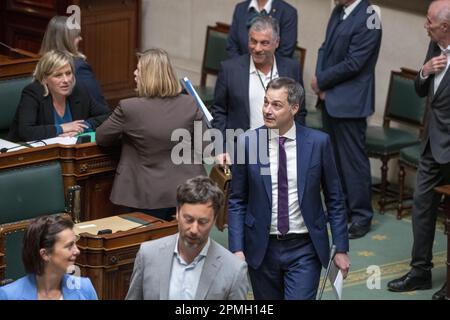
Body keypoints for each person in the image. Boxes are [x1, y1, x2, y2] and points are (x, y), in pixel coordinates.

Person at [228, 77, 350, 300]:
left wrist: (340, 247)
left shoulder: (318, 143)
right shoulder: (248, 143)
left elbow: (335, 198)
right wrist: (236, 249)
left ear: (294, 108)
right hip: (261, 248)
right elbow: (237, 200)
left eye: (276, 105)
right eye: (265, 102)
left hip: (304, 248)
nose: (267, 110)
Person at [96, 48, 206, 220]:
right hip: (187, 191)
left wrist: (127, 136)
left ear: (148, 75)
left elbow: (102, 137)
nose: (134, 73)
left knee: (145, 245)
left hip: (146, 195)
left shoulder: (129, 108)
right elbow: (204, 144)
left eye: (138, 70)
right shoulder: (190, 104)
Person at [387, 0, 450, 300]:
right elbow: (421, 89)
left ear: (445, 26)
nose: (425, 25)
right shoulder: (435, 44)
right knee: (421, 211)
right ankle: (420, 271)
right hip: (430, 144)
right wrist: (424, 71)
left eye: (429, 21)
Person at [311, 0, 382, 239]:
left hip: (351, 102)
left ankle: (361, 215)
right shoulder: (338, 11)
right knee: (334, 160)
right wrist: (320, 79)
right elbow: (324, 48)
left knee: (353, 162)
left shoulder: (370, 17)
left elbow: (355, 63)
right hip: (329, 98)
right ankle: (342, 211)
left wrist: (323, 82)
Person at [126, 176, 249, 300]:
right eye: (188, 219)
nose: (194, 230)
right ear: (178, 213)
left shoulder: (234, 270)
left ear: (214, 219)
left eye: (203, 222)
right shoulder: (148, 254)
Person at [212, 15, 306, 161]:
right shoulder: (230, 69)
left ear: (277, 42)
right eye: (253, 41)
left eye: (264, 43)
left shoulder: (291, 69)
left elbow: (299, 112)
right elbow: (219, 112)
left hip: (281, 151)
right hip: (241, 152)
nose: (257, 48)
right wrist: (221, 148)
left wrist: (295, 146)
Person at [7, 50, 111, 142]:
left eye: (68, 73)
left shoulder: (78, 90)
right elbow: (26, 131)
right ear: (44, 78)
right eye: (58, 75)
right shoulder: (33, 92)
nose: (66, 80)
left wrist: (83, 127)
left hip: (71, 151)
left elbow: (107, 115)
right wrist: (62, 128)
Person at [0, 215, 97, 300]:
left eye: (75, 244)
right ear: (45, 254)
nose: (77, 251)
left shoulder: (84, 288)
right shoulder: (8, 296)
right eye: (69, 246)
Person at [40, 15, 107, 106]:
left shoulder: (40, 63)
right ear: (66, 40)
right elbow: (98, 102)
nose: (80, 38)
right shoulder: (79, 67)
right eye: (76, 36)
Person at [227, 0, 298, 59]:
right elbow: (232, 46)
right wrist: (241, 68)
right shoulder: (240, 8)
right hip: (239, 68)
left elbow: (285, 52)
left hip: (271, 72)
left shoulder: (288, 13)